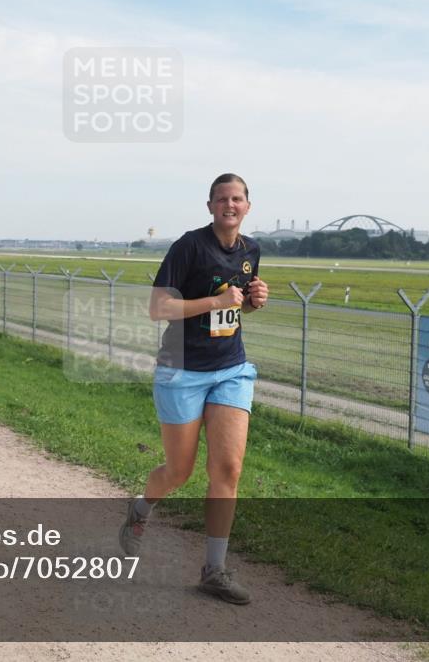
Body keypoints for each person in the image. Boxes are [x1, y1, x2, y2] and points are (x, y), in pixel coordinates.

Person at [118, 173, 269, 605]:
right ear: (210, 206)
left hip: (231, 369)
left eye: (237, 198)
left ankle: (214, 571)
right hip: (182, 370)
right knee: (178, 471)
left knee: (228, 469)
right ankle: (141, 509)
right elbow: (158, 307)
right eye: (222, 198)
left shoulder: (251, 250)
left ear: (247, 206)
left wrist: (253, 301)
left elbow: (237, 307)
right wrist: (216, 302)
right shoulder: (189, 246)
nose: (229, 205)